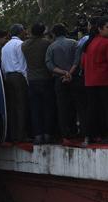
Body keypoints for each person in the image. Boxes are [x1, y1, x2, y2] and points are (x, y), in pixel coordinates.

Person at [22, 22, 55, 144]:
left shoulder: (24, 45)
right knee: (48, 107)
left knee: (35, 109)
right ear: (42, 32)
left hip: (32, 79)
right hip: (46, 78)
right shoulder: (47, 44)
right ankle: (48, 134)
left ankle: (37, 135)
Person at [45, 23, 79, 138]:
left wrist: (63, 73)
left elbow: (49, 64)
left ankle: (64, 133)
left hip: (59, 79)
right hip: (74, 78)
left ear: (54, 34)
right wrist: (70, 72)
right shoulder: (74, 43)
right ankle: (75, 130)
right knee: (74, 105)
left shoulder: (51, 47)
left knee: (62, 106)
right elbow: (77, 60)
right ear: (66, 31)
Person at [81, 16, 108, 145]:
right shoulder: (105, 42)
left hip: (89, 81)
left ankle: (90, 135)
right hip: (103, 80)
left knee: (92, 109)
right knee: (104, 108)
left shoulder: (88, 43)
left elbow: (83, 63)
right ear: (100, 28)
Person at [1, 24, 29, 142]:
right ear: (20, 32)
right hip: (18, 76)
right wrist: (26, 79)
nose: (25, 33)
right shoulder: (20, 44)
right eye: (23, 30)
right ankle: (21, 135)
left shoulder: (5, 46)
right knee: (21, 106)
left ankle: (13, 135)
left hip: (8, 76)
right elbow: (23, 64)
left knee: (12, 107)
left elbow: (2, 65)